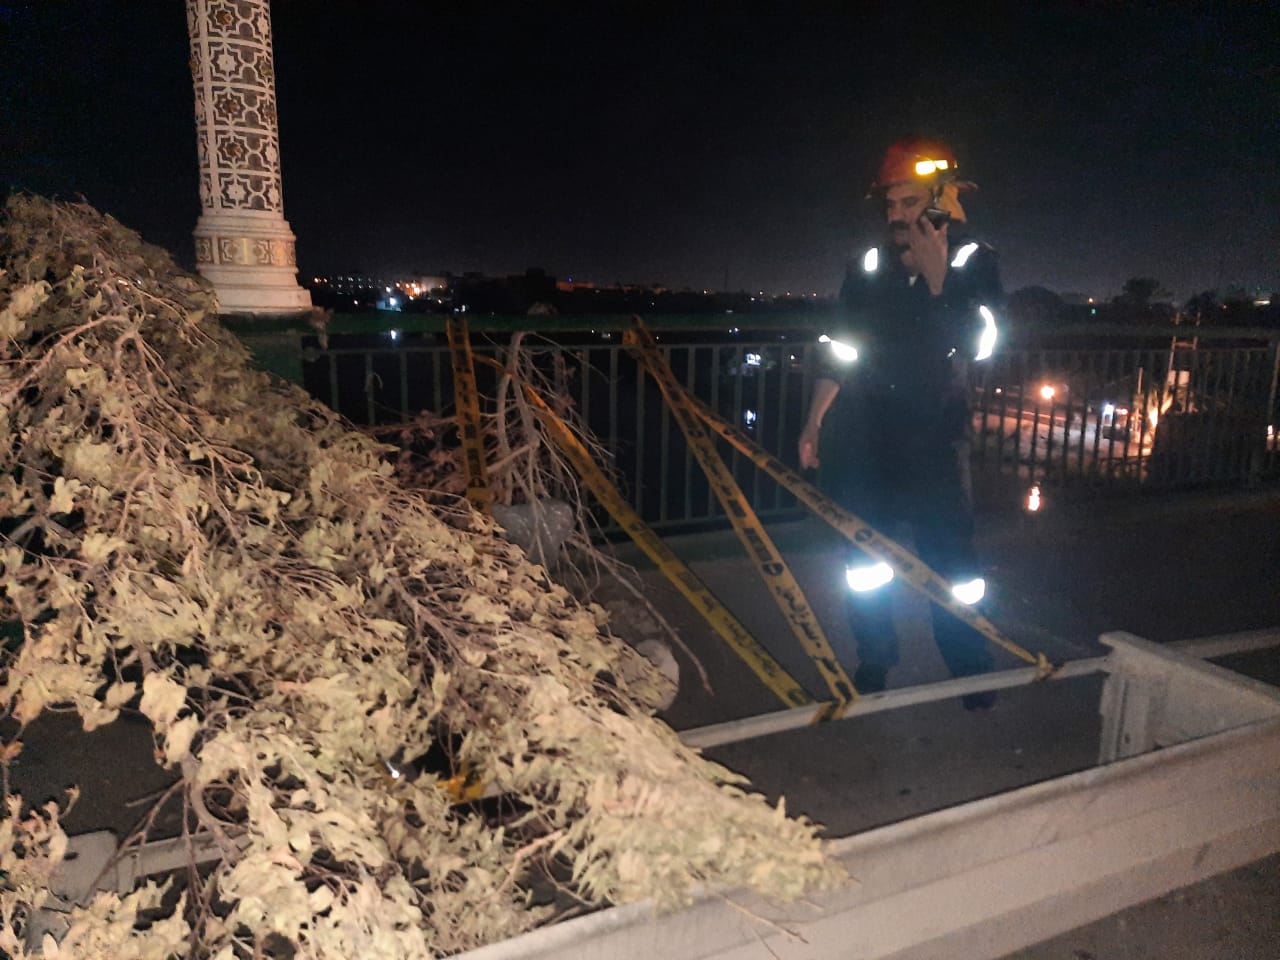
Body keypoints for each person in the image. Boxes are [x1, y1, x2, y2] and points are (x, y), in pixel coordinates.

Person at [797, 137, 1001, 710]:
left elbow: (983, 345)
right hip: (868, 437)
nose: (896, 215)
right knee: (864, 562)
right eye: (890, 204)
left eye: (909, 202)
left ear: (940, 202)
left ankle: (969, 667)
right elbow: (842, 348)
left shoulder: (972, 262)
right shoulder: (867, 267)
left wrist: (940, 282)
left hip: (936, 437)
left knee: (954, 566)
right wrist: (814, 421)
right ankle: (875, 657)